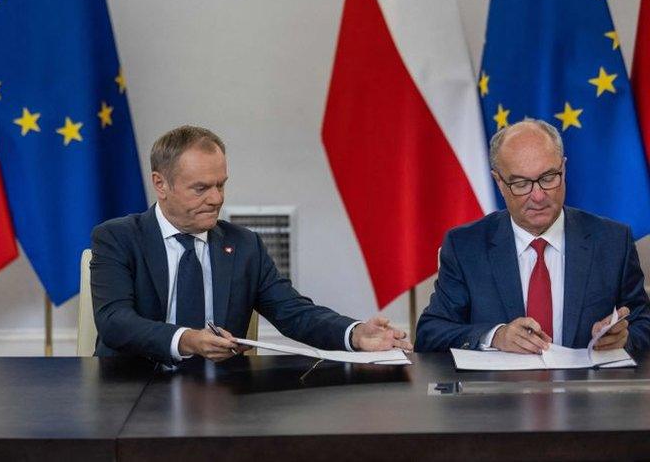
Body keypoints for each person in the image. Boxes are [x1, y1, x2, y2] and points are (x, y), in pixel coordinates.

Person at [90, 125, 411, 364]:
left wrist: (355, 334)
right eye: (200, 188)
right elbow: (115, 321)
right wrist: (187, 340)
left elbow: (294, 312)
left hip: (221, 396)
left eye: (220, 185)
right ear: (161, 184)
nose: (216, 199)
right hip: (131, 388)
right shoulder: (118, 237)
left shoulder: (243, 244)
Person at [416, 119, 650, 353]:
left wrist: (624, 339)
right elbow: (430, 333)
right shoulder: (465, 246)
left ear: (564, 168)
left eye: (548, 178)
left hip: (584, 387)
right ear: (499, 181)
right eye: (521, 183)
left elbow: (644, 324)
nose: (538, 196)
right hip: (499, 389)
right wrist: (495, 336)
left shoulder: (612, 242)